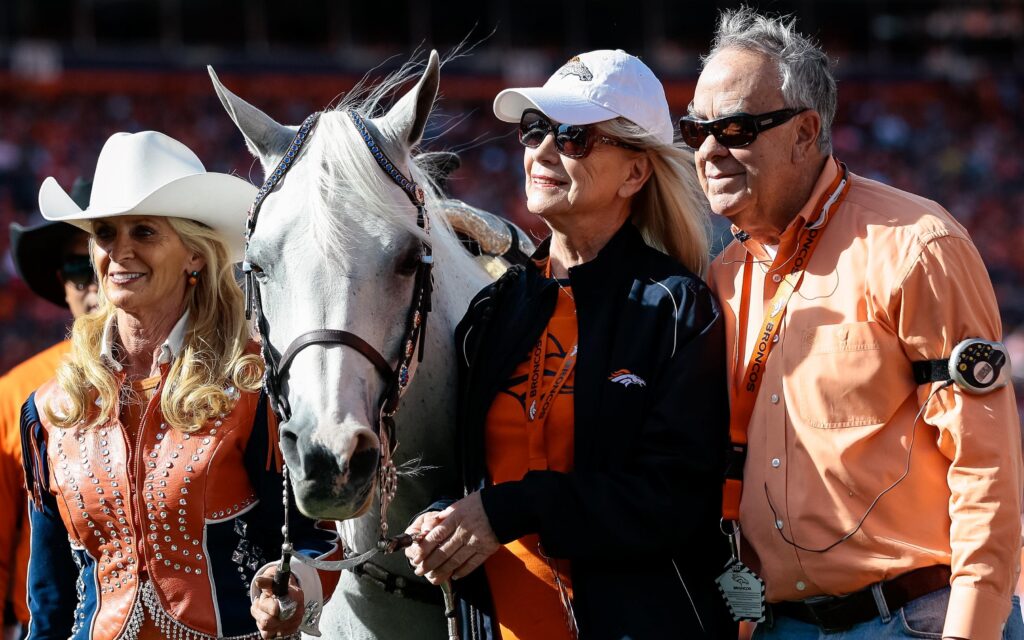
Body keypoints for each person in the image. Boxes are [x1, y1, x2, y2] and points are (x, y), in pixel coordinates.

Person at [686, 8, 1024, 639]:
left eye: (733, 127)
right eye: (695, 129)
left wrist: (972, 629)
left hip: (913, 620)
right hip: (778, 624)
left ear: (805, 132)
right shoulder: (724, 276)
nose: (708, 150)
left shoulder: (917, 247)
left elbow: (986, 465)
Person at [404, 49, 735, 639]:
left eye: (574, 136)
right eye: (535, 130)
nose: (542, 150)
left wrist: (511, 510)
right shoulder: (494, 309)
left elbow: (677, 501)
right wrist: (443, 526)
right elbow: (469, 481)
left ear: (635, 174)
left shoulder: (678, 306)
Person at [21, 130, 341, 640]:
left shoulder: (255, 384)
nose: (120, 252)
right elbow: (50, 597)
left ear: (195, 255)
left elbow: (318, 538)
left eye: (144, 232)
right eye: (105, 233)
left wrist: (292, 587)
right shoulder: (51, 408)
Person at [0, 179, 96, 640]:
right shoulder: (16, 394)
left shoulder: (200, 389)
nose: (99, 277)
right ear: (63, 284)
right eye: (81, 264)